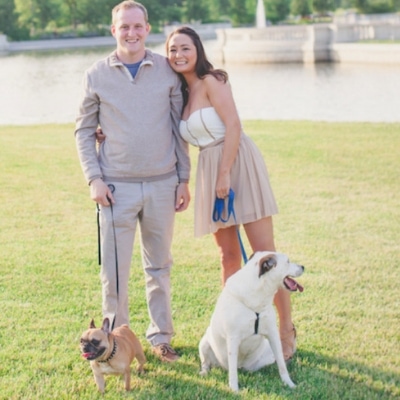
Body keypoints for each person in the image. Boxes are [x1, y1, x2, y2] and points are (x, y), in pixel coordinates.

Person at [165, 26, 297, 362]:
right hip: (210, 170)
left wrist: (225, 172)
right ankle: (231, 331)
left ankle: (285, 330)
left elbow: (233, 124)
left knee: (264, 254)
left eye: (184, 48)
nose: (178, 55)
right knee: (228, 257)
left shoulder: (214, 80)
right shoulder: (181, 94)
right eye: (172, 50)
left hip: (236, 162)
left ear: (197, 49)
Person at [75, 1, 190, 363]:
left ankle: (161, 337)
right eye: (124, 26)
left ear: (147, 27)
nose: (131, 32)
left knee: (160, 266)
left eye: (138, 26)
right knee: (114, 273)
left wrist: (184, 178)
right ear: (114, 30)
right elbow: (82, 131)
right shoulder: (95, 74)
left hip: (162, 184)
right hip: (115, 190)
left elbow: (178, 129)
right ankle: (117, 343)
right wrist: (94, 179)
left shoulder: (166, 71)